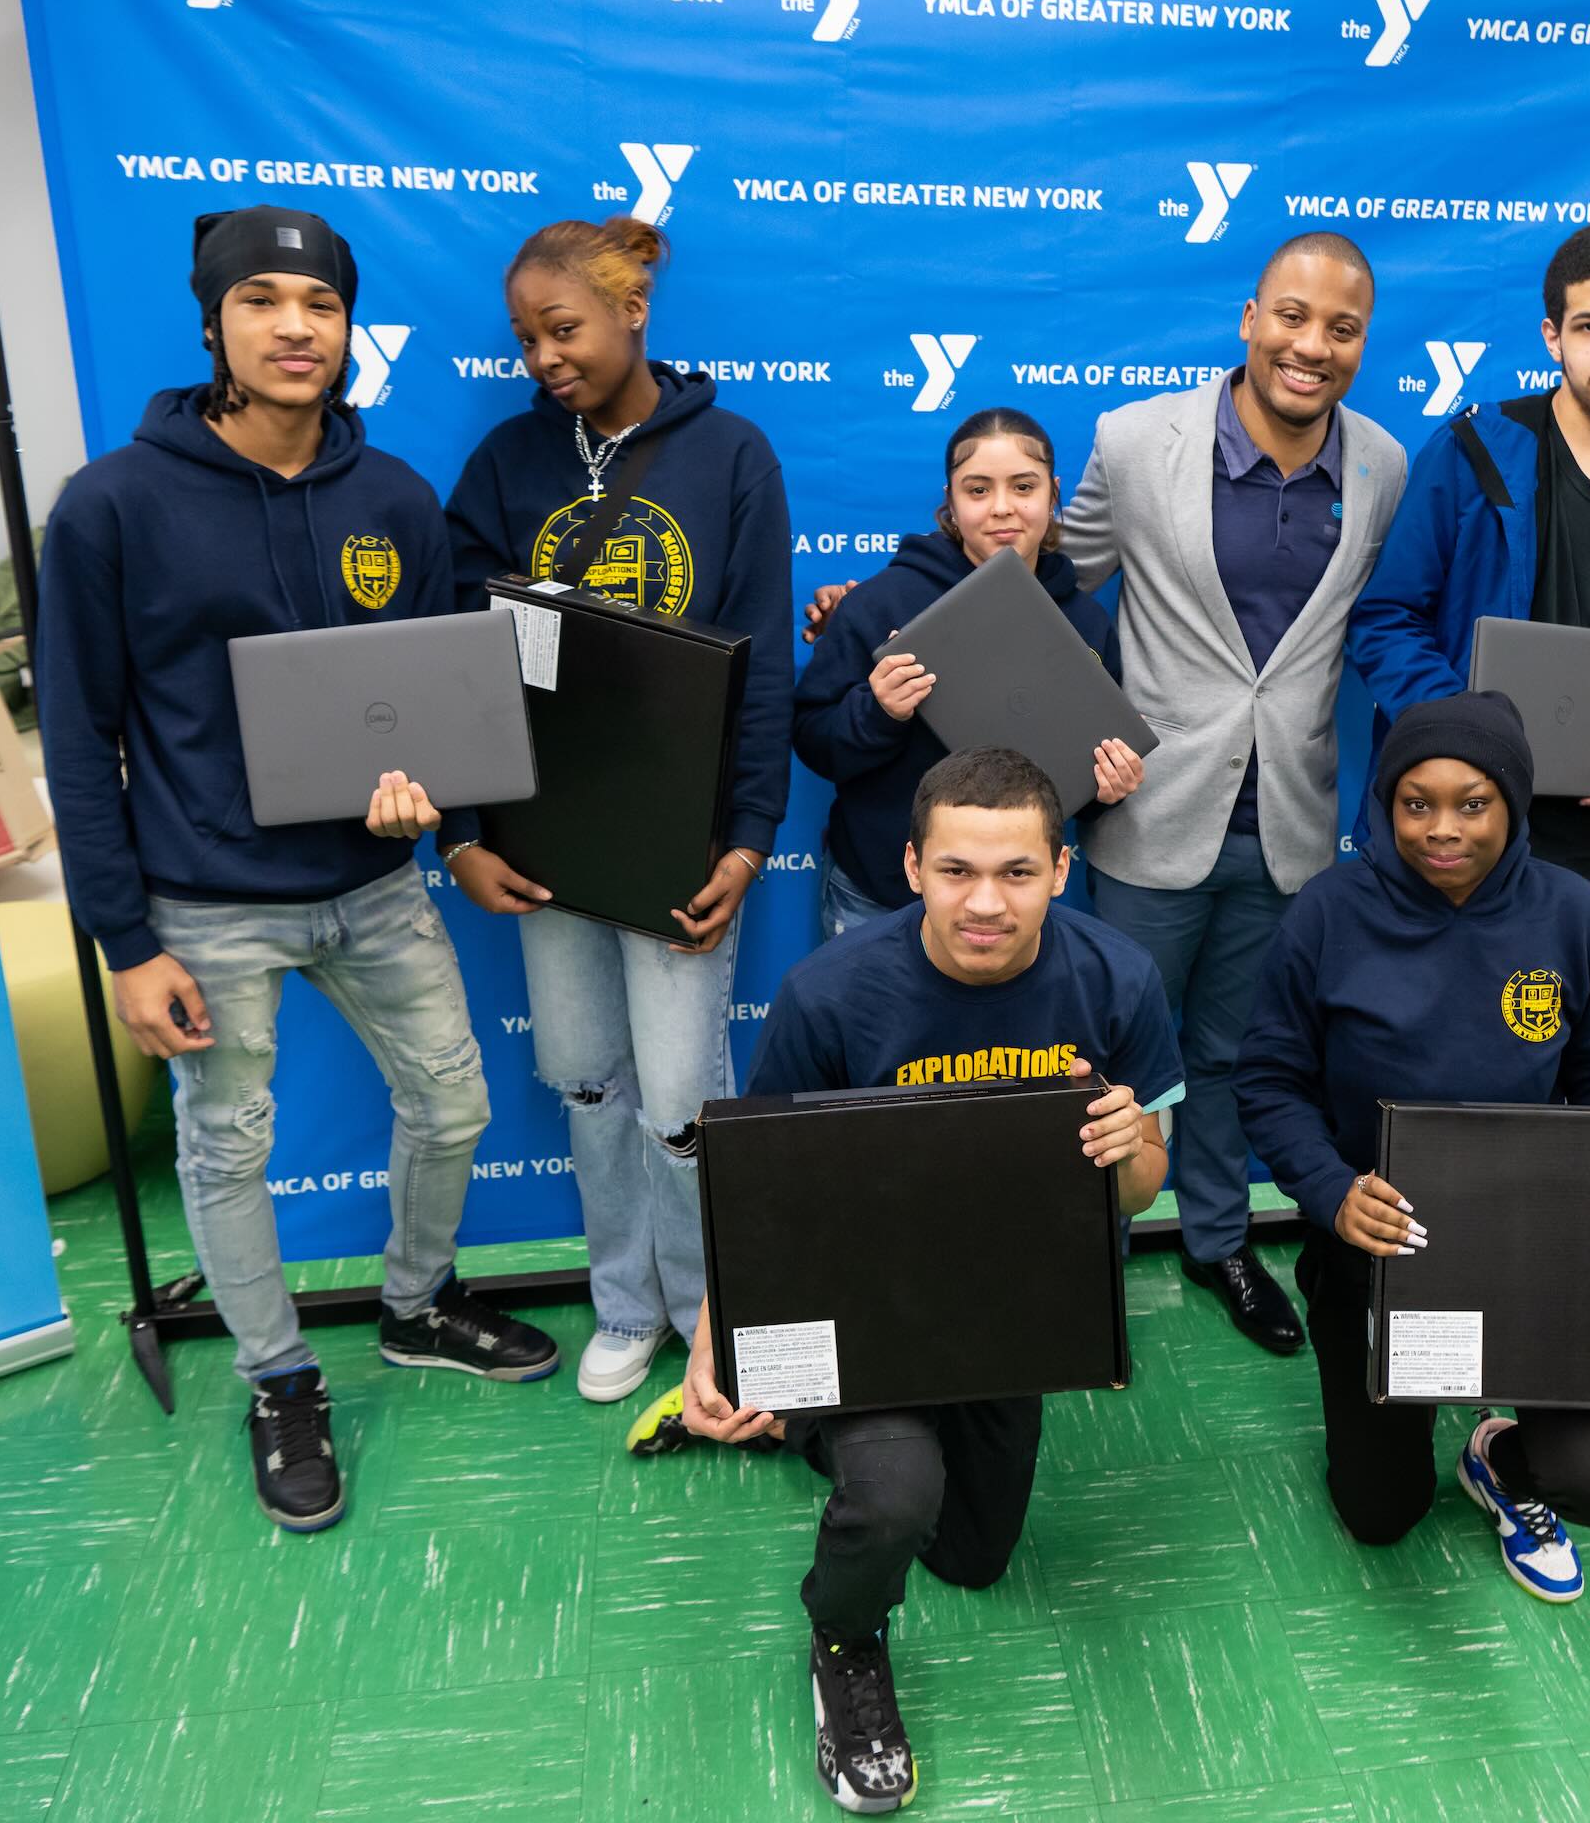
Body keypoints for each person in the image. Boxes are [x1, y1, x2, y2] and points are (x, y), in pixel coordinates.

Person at [36, 206, 558, 1533]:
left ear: (345, 328)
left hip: (376, 887)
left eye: (318, 305)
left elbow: (433, 700)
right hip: (204, 908)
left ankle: (413, 1305)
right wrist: (125, 944)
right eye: (262, 300)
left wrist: (450, 828)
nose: (293, 327)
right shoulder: (109, 507)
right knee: (225, 1154)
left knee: (453, 1109)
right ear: (213, 319)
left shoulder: (392, 498)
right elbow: (80, 735)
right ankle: (277, 1376)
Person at [806, 232, 1407, 1357]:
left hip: (1289, 818)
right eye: (1291, 315)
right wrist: (881, 603)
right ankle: (1073, 1234)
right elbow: (1036, 566)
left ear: (1364, 340)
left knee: (1238, 1052)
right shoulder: (1136, 444)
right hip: (1149, 813)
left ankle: (1219, 1240)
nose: (1311, 345)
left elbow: (1383, 616)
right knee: (1109, 1051)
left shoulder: (1382, 464)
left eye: (1341, 327)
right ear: (1248, 318)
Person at [678, 748, 1183, 1815]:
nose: (985, 902)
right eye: (957, 871)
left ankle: (828, 1440)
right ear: (911, 868)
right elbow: (763, 1193)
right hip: (857, 1298)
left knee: (975, 1558)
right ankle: (843, 1640)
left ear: (1060, 869)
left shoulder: (1118, 982)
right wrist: (714, 1335)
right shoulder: (830, 994)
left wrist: (1129, 1144)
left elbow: (1142, 1191)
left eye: (1014, 872)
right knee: (897, 1498)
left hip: (1007, 1313)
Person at [1237, 692, 1590, 1602]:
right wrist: (1333, 1191)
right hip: (1385, 1250)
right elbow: (1266, 1081)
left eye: (1473, 802)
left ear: (1515, 801)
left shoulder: (1571, 914)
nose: (1441, 829)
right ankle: (1376, 1375)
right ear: (1385, 803)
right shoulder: (1326, 916)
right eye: (1417, 803)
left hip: (1543, 1254)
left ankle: (1502, 1455)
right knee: (1380, 1513)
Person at [441, 216, 793, 1407]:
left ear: (633, 312)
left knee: (687, 1098)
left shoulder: (732, 455)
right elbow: (455, 661)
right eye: (525, 338)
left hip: (678, 842)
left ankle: (708, 1313)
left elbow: (762, 670)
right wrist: (467, 835)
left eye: (564, 328)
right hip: (544, 842)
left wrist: (746, 839)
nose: (543, 356)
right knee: (589, 1078)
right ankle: (627, 1303)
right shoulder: (503, 467)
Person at [1346, 221, 1590, 912]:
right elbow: (1384, 619)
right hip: (1451, 829)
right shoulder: (1475, 452)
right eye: (1589, 326)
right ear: (1552, 338)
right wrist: (1463, 736)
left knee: (1553, 1022)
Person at [793, 407, 1144, 938]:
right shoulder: (883, 602)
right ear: (951, 504)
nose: (1002, 509)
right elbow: (813, 739)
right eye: (977, 490)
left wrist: (1108, 792)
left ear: (1053, 495)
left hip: (1009, 908)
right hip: (878, 896)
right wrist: (879, 710)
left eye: (1023, 487)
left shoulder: (1085, 623)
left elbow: (1080, 781)